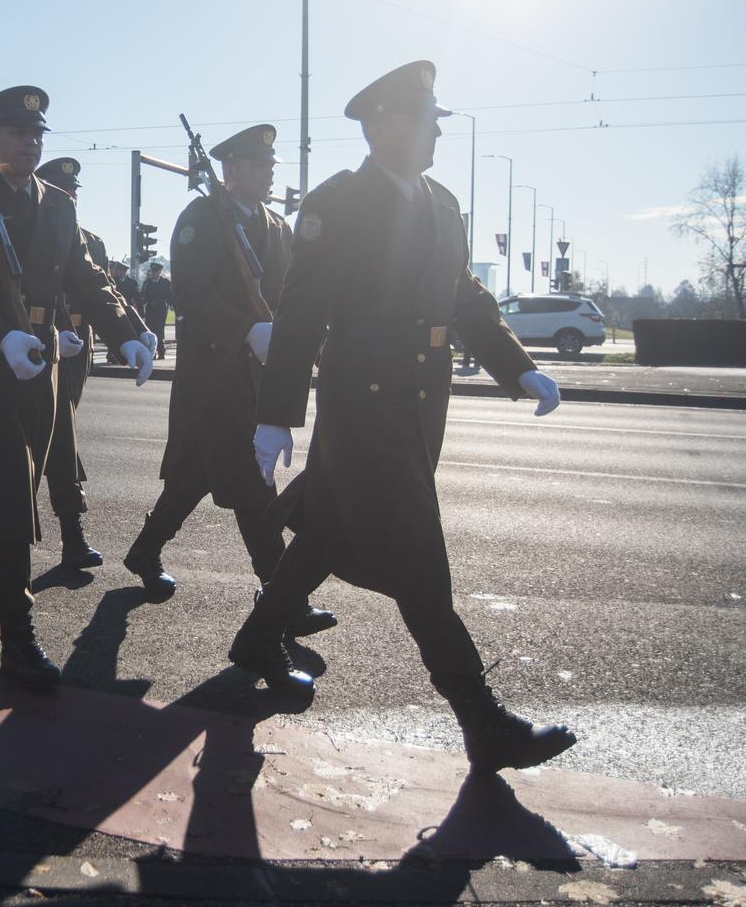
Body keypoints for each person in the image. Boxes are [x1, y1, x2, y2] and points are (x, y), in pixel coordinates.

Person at [229, 61, 577, 773]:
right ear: (379, 123)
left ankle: (258, 637)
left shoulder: (442, 202)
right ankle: (480, 718)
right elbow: (301, 313)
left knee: (325, 531)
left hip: (422, 403)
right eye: (421, 120)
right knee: (420, 559)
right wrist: (276, 415)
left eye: (435, 121)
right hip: (364, 402)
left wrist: (516, 366)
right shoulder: (338, 203)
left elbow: (466, 299)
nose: (433, 134)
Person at [0, 84, 154, 689]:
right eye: (18, 133)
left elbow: (83, 273)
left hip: (42, 362)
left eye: (37, 135)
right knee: (6, 494)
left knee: (16, 489)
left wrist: (126, 329)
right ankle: (17, 641)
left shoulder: (56, 204)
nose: (30, 142)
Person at [122, 125, 335, 635]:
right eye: (257, 165)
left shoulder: (278, 226)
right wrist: (247, 330)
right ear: (230, 170)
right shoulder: (201, 217)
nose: (267, 173)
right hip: (214, 375)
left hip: (259, 375)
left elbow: (291, 295)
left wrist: (309, 343)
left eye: (270, 165)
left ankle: (144, 552)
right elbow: (190, 297)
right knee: (254, 480)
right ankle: (283, 596)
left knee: (193, 478)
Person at [36, 157, 152, 568]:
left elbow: (107, 291)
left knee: (55, 435)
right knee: (58, 437)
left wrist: (135, 332)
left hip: (78, 349)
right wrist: (50, 332)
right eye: (61, 189)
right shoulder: (26, 233)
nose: (70, 196)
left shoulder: (91, 241)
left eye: (74, 190)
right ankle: (71, 535)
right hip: (41, 348)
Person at [140, 261, 173, 359]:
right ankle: (152, 352)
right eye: (152, 271)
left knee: (159, 330)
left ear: (159, 271)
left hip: (160, 308)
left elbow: (169, 295)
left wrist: (171, 304)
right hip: (150, 309)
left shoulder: (165, 282)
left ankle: (161, 351)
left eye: (155, 271)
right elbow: (143, 296)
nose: (153, 273)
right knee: (150, 330)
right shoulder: (147, 283)